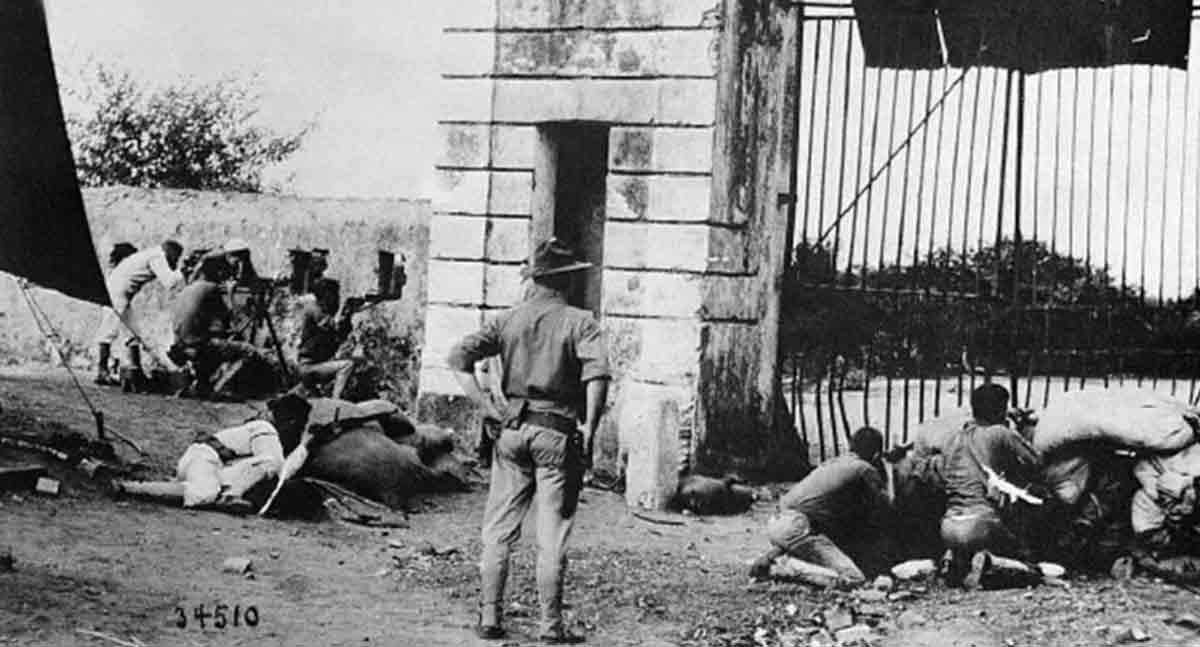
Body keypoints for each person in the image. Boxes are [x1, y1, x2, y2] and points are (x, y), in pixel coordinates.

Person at [447, 238, 610, 644]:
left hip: (511, 432)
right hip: (556, 434)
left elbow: (457, 359)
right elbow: (597, 377)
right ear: (565, 282)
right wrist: (589, 426)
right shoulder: (580, 322)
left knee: (498, 529)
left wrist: (485, 406)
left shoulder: (508, 320)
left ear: (534, 281)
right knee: (551, 534)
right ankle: (550, 627)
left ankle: (489, 619)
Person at [111, 394, 311, 511]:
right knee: (204, 494)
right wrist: (304, 447)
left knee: (209, 488)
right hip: (204, 459)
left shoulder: (259, 428)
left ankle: (163, 486)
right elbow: (275, 464)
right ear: (291, 422)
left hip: (204, 461)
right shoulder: (265, 429)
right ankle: (129, 488)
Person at [749, 426, 893, 587]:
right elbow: (888, 505)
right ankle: (783, 568)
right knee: (854, 578)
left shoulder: (833, 463)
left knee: (822, 532)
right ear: (876, 454)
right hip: (796, 527)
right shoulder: (864, 468)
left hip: (778, 523)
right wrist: (889, 467)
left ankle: (775, 557)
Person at [938, 383, 1041, 588]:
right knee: (1029, 566)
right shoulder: (1000, 433)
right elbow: (1035, 461)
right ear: (1000, 410)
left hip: (948, 525)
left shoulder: (952, 438)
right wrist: (1019, 429)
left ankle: (954, 558)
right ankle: (990, 562)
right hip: (981, 522)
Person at [169, 256, 271, 398]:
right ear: (219, 272)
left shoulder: (187, 289)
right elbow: (230, 319)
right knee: (249, 351)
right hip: (197, 345)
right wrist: (230, 293)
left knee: (214, 344)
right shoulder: (212, 288)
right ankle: (219, 389)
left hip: (179, 345)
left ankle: (201, 385)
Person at [94, 239, 184, 386]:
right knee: (108, 332)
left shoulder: (148, 254)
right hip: (117, 294)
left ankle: (136, 371)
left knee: (133, 333)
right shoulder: (157, 256)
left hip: (116, 291)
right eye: (176, 258)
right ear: (171, 253)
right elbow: (169, 282)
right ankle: (102, 371)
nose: (175, 261)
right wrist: (183, 270)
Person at [294, 278, 362, 399]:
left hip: (315, 366)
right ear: (326, 295)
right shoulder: (314, 309)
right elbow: (332, 327)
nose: (337, 298)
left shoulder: (322, 312)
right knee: (347, 366)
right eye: (334, 294)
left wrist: (348, 315)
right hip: (308, 367)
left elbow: (339, 335)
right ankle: (335, 402)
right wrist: (347, 310)